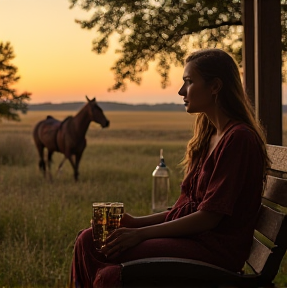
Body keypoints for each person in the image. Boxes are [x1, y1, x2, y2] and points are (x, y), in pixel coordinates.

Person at [69, 48, 270, 288]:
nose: (181, 91)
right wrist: (136, 223)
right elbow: (187, 209)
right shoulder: (211, 135)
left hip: (213, 250)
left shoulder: (238, 139)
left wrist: (139, 235)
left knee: (110, 258)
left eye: (189, 82)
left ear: (215, 86)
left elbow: (209, 218)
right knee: (87, 239)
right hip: (194, 239)